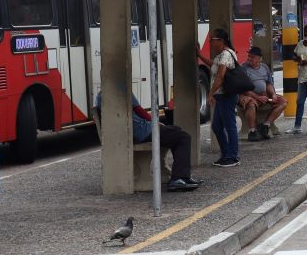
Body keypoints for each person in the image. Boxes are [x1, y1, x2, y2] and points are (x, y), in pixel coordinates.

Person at [93, 92, 201, 192]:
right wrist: (155, 122)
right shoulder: (122, 88)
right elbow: (139, 110)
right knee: (183, 137)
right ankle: (178, 178)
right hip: (142, 132)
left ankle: (182, 176)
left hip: (128, 133)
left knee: (175, 131)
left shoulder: (100, 96)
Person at [205, 28, 240, 167]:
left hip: (227, 95)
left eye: (212, 40)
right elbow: (213, 66)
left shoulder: (226, 54)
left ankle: (233, 156)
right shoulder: (220, 56)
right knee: (217, 126)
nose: (211, 43)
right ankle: (225, 153)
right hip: (221, 95)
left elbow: (220, 77)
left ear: (221, 40)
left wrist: (210, 93)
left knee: (229, 125)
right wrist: (199, 56)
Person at [241, 46, 285, 141]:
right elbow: (243, 88)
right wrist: (257, 97)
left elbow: (268, 83)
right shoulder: (243, 68)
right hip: (249, 95)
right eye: (248, 56)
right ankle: (252, 131)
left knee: (283, 102)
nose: (249, 58)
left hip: (264, 94)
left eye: (252, 57)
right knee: (251, 105)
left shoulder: (264, 67)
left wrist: (273, 94)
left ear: (259, 58)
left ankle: (266, 125)